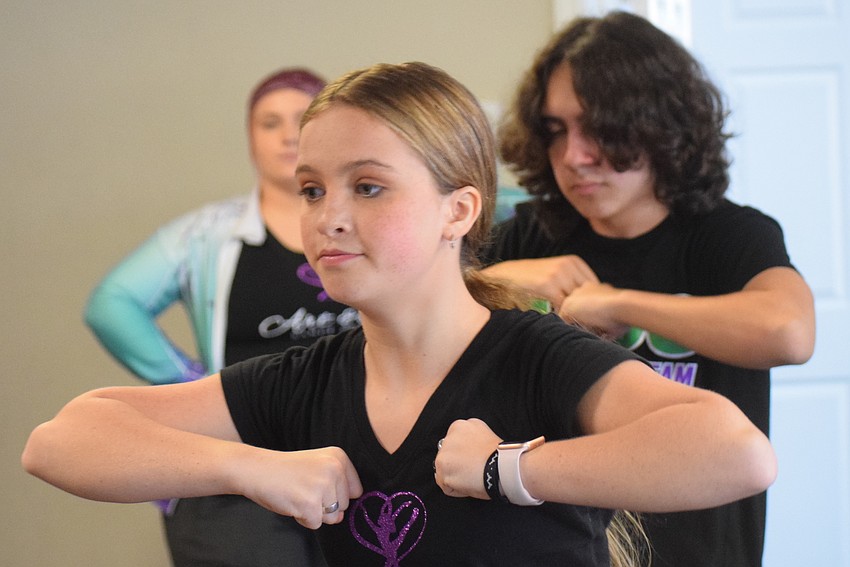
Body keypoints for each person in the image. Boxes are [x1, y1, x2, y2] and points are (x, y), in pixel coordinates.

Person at [25, 61, 778, 567]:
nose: (328, 217)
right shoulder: (303, 381)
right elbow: (62, 440)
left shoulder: (535, 356)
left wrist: (504, 469)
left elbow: (735, 452)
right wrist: (250, 466)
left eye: (370, 187)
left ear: (459, 210)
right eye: (314, 189)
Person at [481, 12, 816, 567]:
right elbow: (417, 311)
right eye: (557, 130)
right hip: (553, 545)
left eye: (600, 130)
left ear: (661, 125)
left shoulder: (729, 235)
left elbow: (789, 332)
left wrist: (620, 303)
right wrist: (497, 280)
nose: (574, 157)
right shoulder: (527, 237)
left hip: (699, 548)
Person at [83, 67, 358, 566]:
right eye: (268, 122)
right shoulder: (205, 234)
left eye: (302, 119)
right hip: (240, 468)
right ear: (249, 138)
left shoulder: (371, 223)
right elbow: (111, 303)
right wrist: (185, 380)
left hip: (360, 459)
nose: (286, 135)